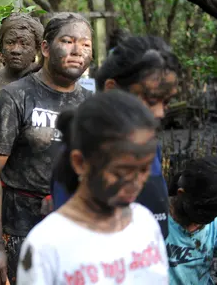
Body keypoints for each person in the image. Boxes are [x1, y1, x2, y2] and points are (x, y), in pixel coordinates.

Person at [0, 12, 93, 284]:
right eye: (67, 41)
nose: (77, 51)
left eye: (86, 45)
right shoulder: (16, 96)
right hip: (20, 226)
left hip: (74, 223)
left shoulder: (92, 104)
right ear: (45, 48)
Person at [17, 90, 168, 284]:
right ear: (80, 163)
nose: (136, 182)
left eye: (144, 169)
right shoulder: (46, 245)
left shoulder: (144, 223)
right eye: (122, 172)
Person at [52, 36, 181, 240]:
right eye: (151, 100)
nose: (160, 113)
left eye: (166, 102)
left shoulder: (146, 143)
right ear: (112, 89)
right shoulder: (84, 155)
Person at [0, 13, 44, 102]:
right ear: (1, 46)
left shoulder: (48, 84)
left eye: (24, 43)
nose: (16, 50)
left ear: (36, 49)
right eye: (10, 42)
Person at [166, 157, 217, 285]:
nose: (196, 228)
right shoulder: (157, 222)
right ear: (181, 194)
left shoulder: (214, 224)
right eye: (195, 220)